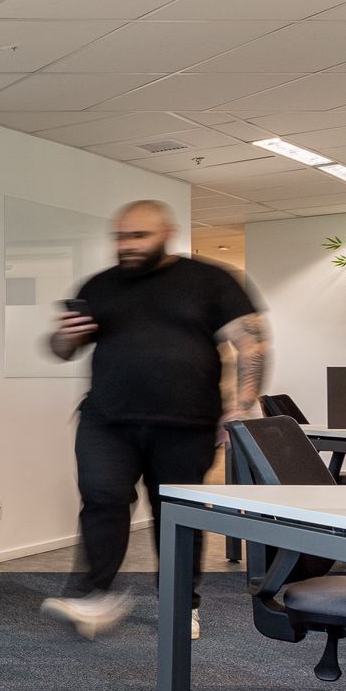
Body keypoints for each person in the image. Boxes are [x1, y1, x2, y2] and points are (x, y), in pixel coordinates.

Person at [41, 201, 269, 639]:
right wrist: (62, 337)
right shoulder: (101, 285)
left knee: (176, 514)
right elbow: (62, 348)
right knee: (103, 499)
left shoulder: (209, 280)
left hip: (185, 424)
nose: (126, 245)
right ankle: (95, 595)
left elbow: (252, 343)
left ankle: (182, 603)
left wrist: (241, 406)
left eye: (138, 236)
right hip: (107, 420)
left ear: (166, 233)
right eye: (120, 237)